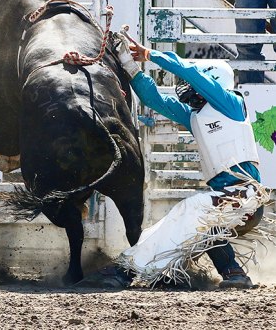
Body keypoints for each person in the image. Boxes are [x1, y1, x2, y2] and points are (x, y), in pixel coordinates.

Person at [78, 30, 267, 290]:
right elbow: (153, 99)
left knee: (191, 210)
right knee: (201, 221)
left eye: (197, 84)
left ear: (211, 83)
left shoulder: (230, 103)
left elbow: (190, 74)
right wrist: (130, 66)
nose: (188, 88)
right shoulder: (196, 116)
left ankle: (126, 270)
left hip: (243, 196)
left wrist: (151, 54)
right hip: (234, 198)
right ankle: (234, 272)